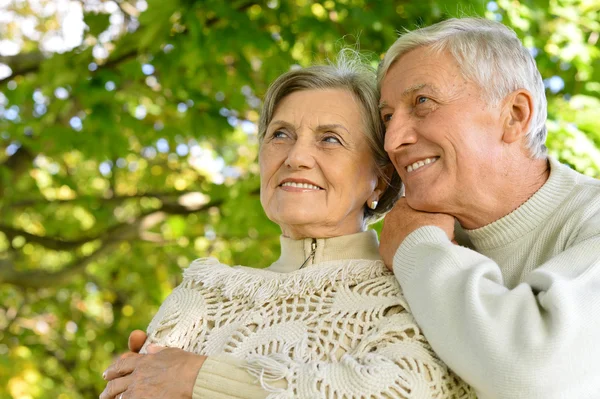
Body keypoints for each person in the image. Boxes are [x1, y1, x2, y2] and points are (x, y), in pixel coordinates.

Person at [100, 52, 475, 398]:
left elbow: (408, 390)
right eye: (281, 134)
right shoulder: (203, 293)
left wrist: (201, 379)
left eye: (330, 139)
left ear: (379, 179)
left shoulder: (414, 289)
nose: (296, 157)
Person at [377, 17, 600, 399]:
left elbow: (534, 375)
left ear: (514, 115)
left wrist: (419, 250)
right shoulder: (396, 246)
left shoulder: (410, 247)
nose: (393, 141)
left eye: (422, 102)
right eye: (386, 118)